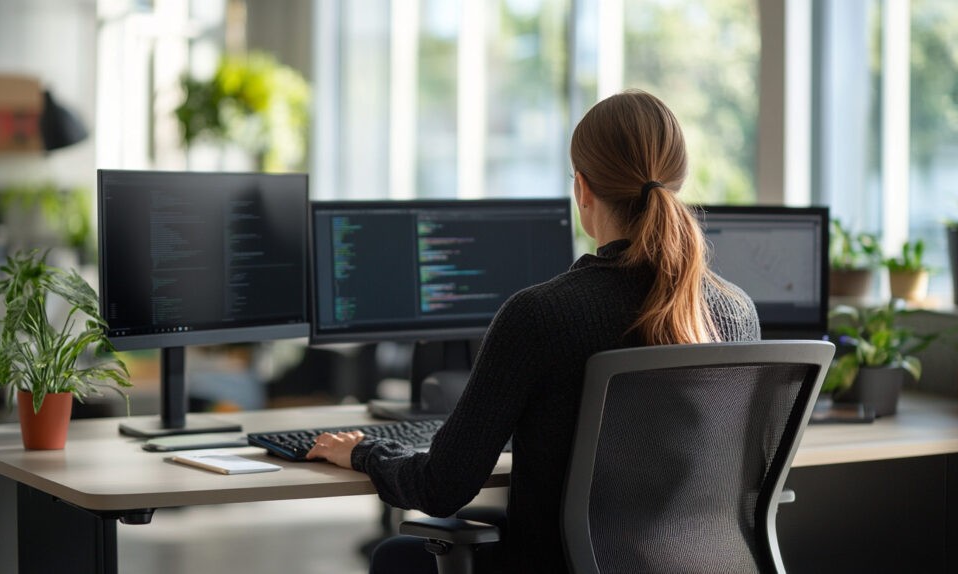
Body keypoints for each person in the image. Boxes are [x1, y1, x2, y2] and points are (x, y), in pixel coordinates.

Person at [306, 89, 761, 573]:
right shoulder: (736, 313)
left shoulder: (541, 314)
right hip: (694, 560)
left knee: (396, 557)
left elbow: (441, 487)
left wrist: (365, 451)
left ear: (582, 189)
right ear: (678, 182)